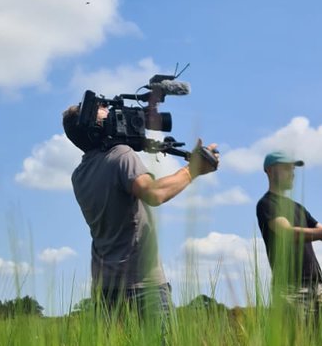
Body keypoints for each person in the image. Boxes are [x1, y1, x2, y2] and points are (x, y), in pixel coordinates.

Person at [62, 102, 218, 317]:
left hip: (104, 289)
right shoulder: (120, 155)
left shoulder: (79, 174)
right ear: (96, 128)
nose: (115, 117)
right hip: (142, 286)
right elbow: (154, 193)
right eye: (107, 116)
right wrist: (192, 170)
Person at [255, 151, 322, 317]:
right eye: (286, 168)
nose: (292, 173)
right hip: (290, 287)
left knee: (317, 342)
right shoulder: (266, 204)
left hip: (317, 285)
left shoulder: (298, 208)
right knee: (295, 342)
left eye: (293, 169)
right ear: (270, 171)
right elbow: (286, 233)